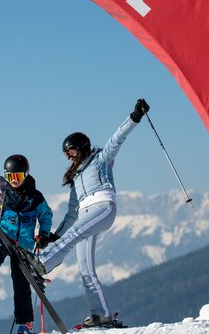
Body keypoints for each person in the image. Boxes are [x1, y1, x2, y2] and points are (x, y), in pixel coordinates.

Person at [27, 99, 149, 329]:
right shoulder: (76, 178)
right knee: (85, 268)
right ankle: (101, 314)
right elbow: (72, 212)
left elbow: (117, 138)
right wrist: (55, 236)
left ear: (82, 147)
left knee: (74, 235)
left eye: (71, 151)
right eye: (66, 154)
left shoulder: (101, 159)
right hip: (85, 214)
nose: (69, 156)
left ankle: (43, 263)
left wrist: (134, 117)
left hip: (103, 207)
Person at [0, 154, 53, 334]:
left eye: (18, 177)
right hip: (4, 238)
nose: (14, 181)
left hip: (24, 244)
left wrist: (44, 235)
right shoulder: (2, 194)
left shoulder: (35, 197)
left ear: (26, 174)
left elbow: (46, 215)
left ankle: (24, 324)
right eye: (10, 177)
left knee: (21, 284)